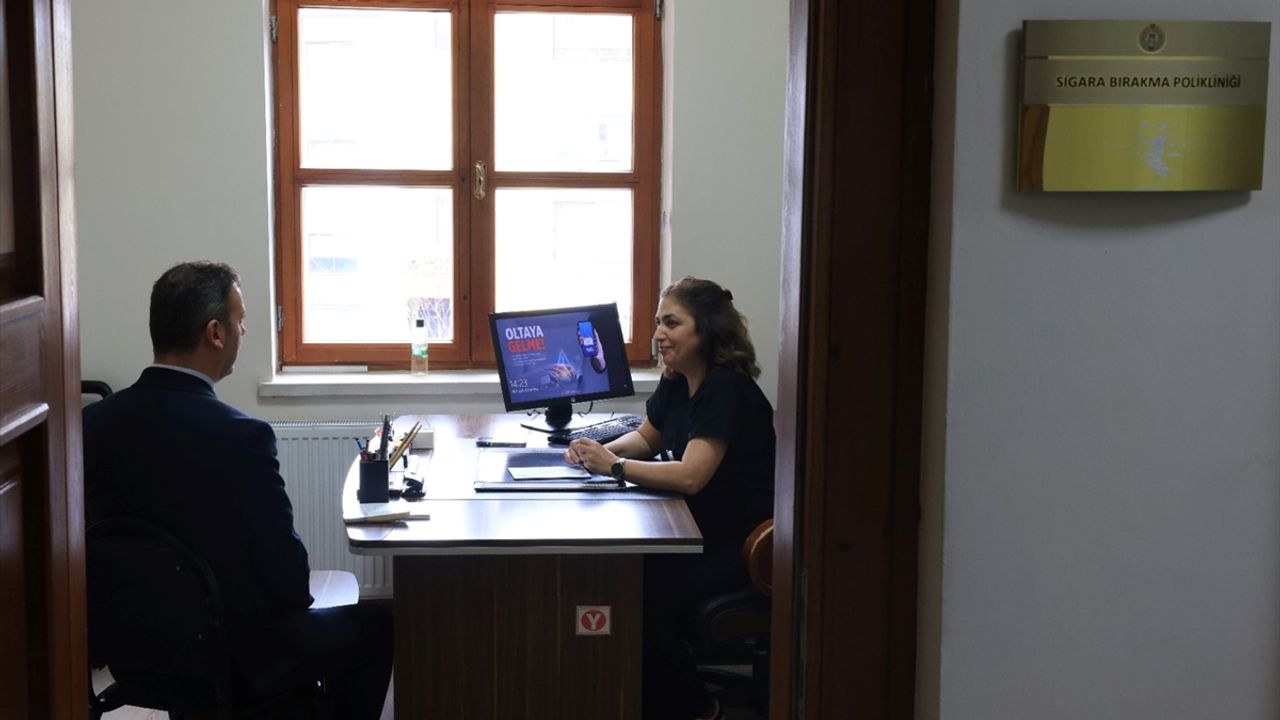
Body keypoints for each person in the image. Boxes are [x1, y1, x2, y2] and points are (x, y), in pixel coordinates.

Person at [83, 261, 392, 719]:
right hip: (235, 661)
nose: (244, 331)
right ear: (215, 333)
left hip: (133, 656)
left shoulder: (91, 424)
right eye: (240, 320)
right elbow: (290, 583)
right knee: (378, 627)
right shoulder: (240, 436)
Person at [565, 276, 775, 720]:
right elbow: (647, 437)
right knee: (621, 574)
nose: (658, 333)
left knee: (635, 590)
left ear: (706, 328)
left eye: (672, 323)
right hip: (693, 527)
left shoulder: (726, 389)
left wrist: (614, 467)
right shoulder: (678, 381)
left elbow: (692, 476)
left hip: (735, 543)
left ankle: (694, 706)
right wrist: (594, 452)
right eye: (659, 322)